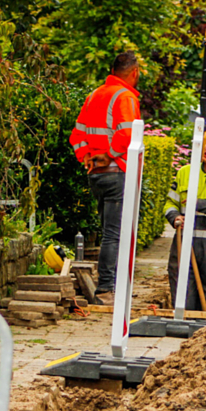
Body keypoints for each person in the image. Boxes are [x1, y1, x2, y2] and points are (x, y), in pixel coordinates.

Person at [69, 52, 142, 303]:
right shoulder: (125, 97)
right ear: (134, 72)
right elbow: (127, 136)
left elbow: (76, 136)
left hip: (97, 176)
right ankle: (107, 289)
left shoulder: (93, 96)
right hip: (117, 172)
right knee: (115, 233)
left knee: (108, 231)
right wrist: (108, 155)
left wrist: (87, 158)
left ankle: (110, 285)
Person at [164, 130, 206, 311]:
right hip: (183, 243)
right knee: (182, 292)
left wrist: (202, 204)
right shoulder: (185, 173)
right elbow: (169, 203)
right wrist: (174, 217)